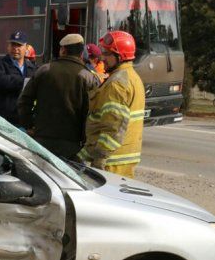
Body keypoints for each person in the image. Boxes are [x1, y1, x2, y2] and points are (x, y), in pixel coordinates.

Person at [17, 33, 100, 160]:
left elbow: (24, 101)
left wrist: (29, 125)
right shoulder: (89, 77)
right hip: (73, 144)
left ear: (63, 50)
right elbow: (94, 113)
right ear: (81, 54)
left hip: (42, 139)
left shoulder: (44, 70)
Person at [78, 31, 146, 178]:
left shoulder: (117, 84)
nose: (102, 57)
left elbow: (113, 127)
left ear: (120, 56)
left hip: (111, 160)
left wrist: (100, 157)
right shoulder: (132, 77)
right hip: (123, 157)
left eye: (107, 53)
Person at [0, 31, 36, 125]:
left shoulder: (32, 68)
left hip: (22, 122)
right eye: (13, 44)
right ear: (8, 46)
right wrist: (25, 82)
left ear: (26, 47)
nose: (15, 48)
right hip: (1, 121)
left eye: (19, 45)